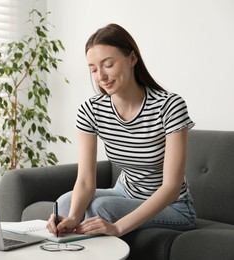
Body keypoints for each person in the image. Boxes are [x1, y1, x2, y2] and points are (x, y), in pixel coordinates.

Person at [46, 23, 196, 238]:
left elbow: (171, 187)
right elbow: (86, 181)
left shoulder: (169, 106)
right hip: (125, 192)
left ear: (132, 59)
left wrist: (117, 227)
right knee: (64, 204)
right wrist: (71, 218)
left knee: (102, 209)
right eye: (94, 69)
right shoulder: (91, 110)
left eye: (108, 64)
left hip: (173, 206)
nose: (101, 76)